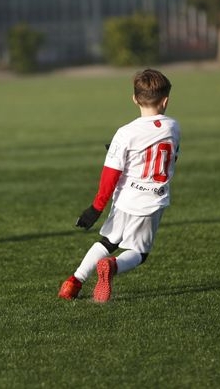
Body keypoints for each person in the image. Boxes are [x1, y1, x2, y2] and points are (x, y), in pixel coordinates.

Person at [58, 69, 181, 303]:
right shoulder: (174, 127)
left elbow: (110, 174)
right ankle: (112, 267)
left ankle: (73, 282)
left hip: (125, 199)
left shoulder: (124, 134)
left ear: (134, 99)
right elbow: (169, 158)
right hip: (152, 202)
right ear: (166, 100)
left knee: (108, 241)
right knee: (139, 253)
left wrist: (95, 208)